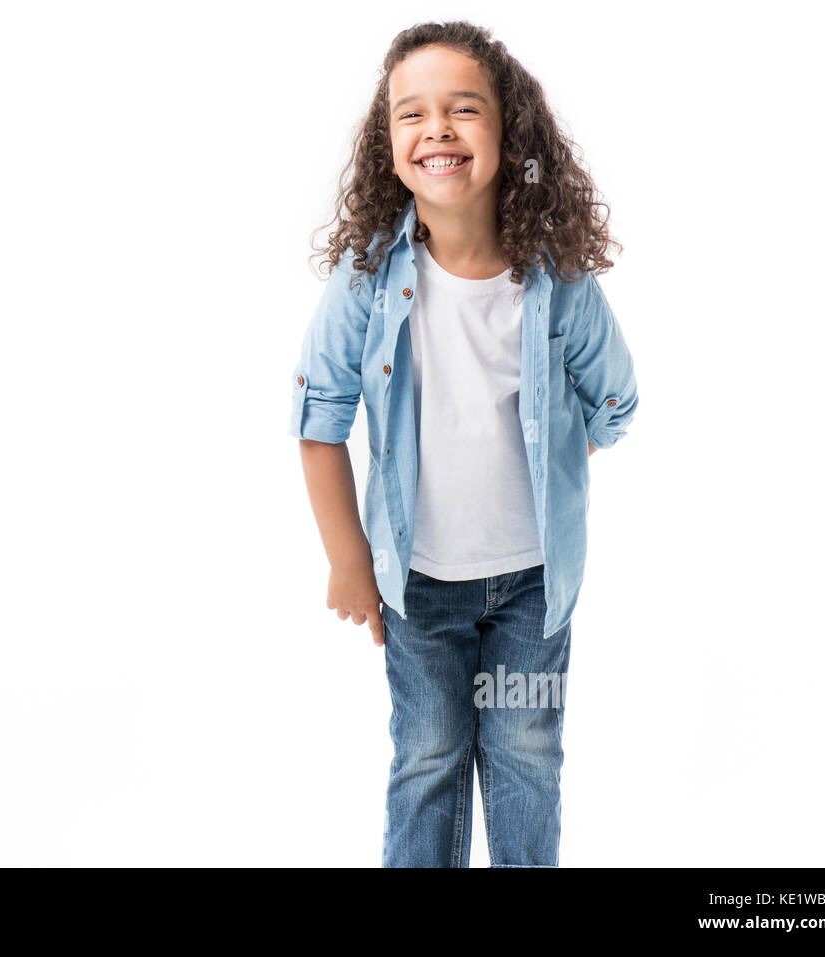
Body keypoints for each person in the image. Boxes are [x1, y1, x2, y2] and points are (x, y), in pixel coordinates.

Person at [288, 20, 639, 867]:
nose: (436, 129)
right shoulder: (368, 279)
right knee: (427, 759)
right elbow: (318, 419)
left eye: (463, 109)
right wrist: (347, 559)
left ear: (509, 134)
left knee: (525, 760)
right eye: (411, 114)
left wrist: (554, 469)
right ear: (389, 146)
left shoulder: (558, 282)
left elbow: (615, 401)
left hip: (533, 588)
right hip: (416, 589)